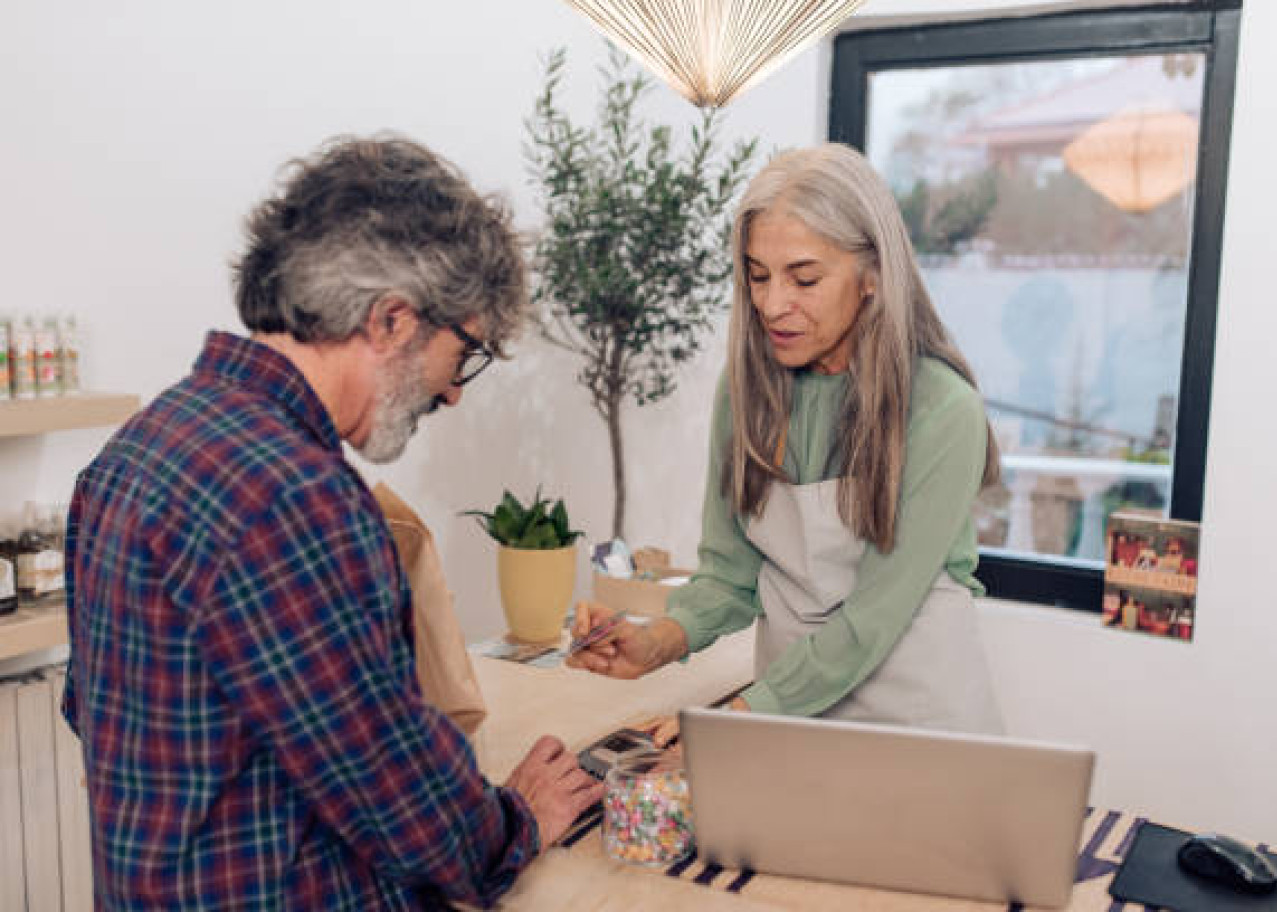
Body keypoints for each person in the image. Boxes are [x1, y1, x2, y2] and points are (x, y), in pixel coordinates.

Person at [62, 137, 601, 910]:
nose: (453, 394)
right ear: (391, 321)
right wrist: (518, 819)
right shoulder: (296, 496)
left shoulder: (133, 454)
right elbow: (404, 802)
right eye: (466, 352)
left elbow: (99, 716)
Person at [569, 143, 1003, 737]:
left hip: (916, 717)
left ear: (873, 274)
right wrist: (655, 643)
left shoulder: (944, 409)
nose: (774, 305)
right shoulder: (747, 389)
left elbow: (870, 620)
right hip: (786, 706)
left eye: (804, 278)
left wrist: (740, 720)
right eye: (757, 275)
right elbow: (728, 573)